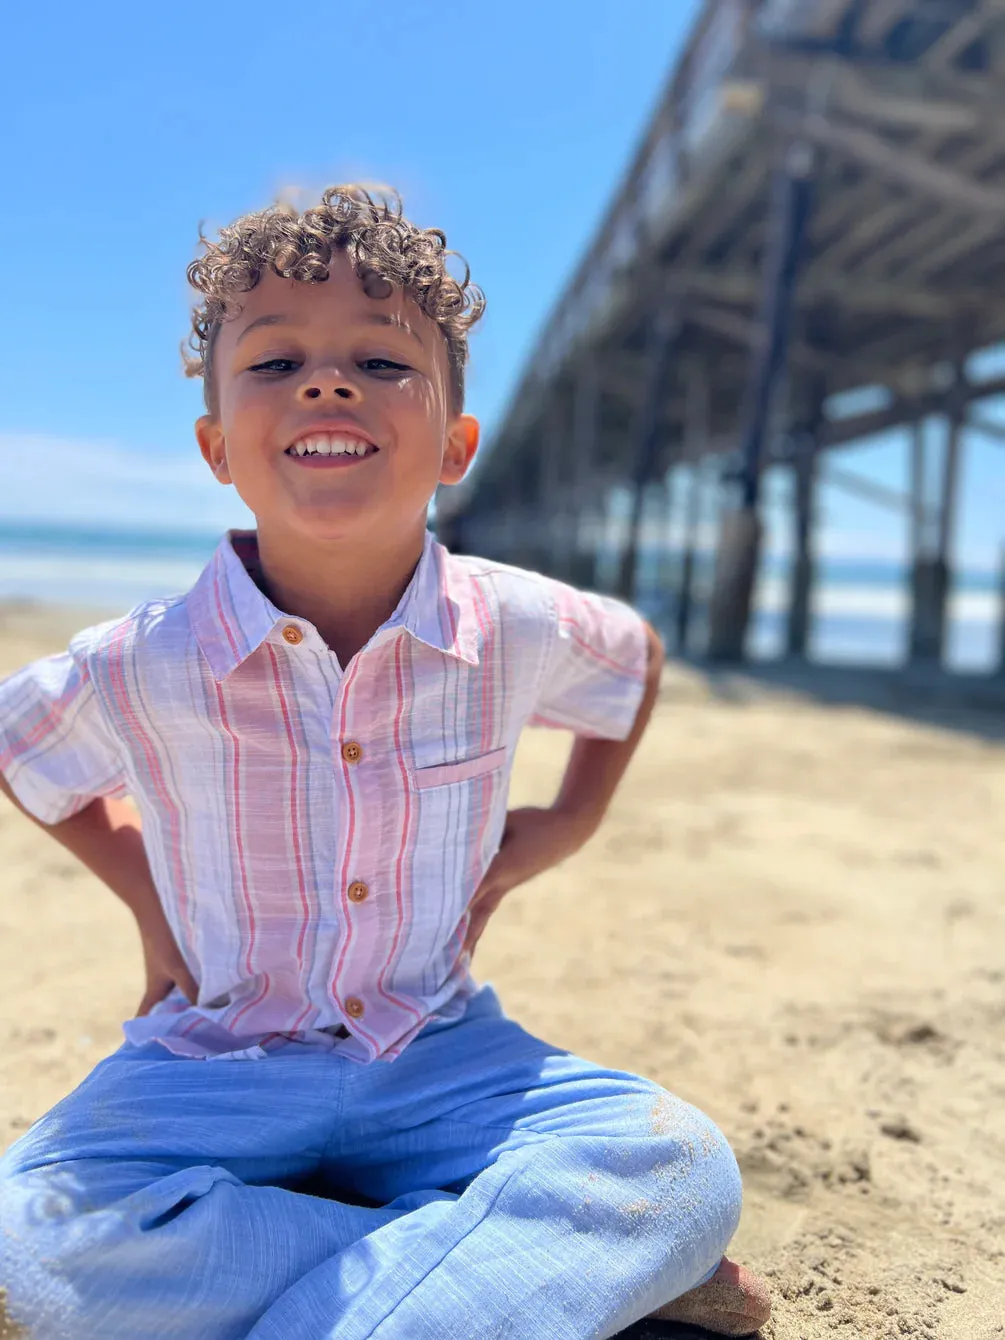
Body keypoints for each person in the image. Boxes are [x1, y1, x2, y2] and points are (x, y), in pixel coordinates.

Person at [0, 186, 771, 1340]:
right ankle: (483, 1255)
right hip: (218, 1057)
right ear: (216, 445)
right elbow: (21, 743)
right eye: (274, 364)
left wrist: (568, 824)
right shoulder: (148, 658)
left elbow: (633, 658)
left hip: (441, 1049)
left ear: (455, 443)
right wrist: (146, 897)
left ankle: (384, 1250)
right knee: (31, 1246)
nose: (326, 381)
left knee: (683, 1169)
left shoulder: (509, 626)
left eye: (380, 358)